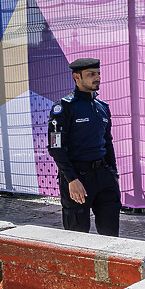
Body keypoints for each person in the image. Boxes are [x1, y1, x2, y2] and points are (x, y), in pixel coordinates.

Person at [47, 58, 120, 236]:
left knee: (111, 234)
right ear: (76, 77)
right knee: (77, 235)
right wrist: (71, 179)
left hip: (104, 175)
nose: (97, 78)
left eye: (98, 74)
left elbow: (107, 142)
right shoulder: (63, 107)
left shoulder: (102, 107)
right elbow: (56, 147)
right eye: (91, 75)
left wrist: (114, 174)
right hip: (77, 177)